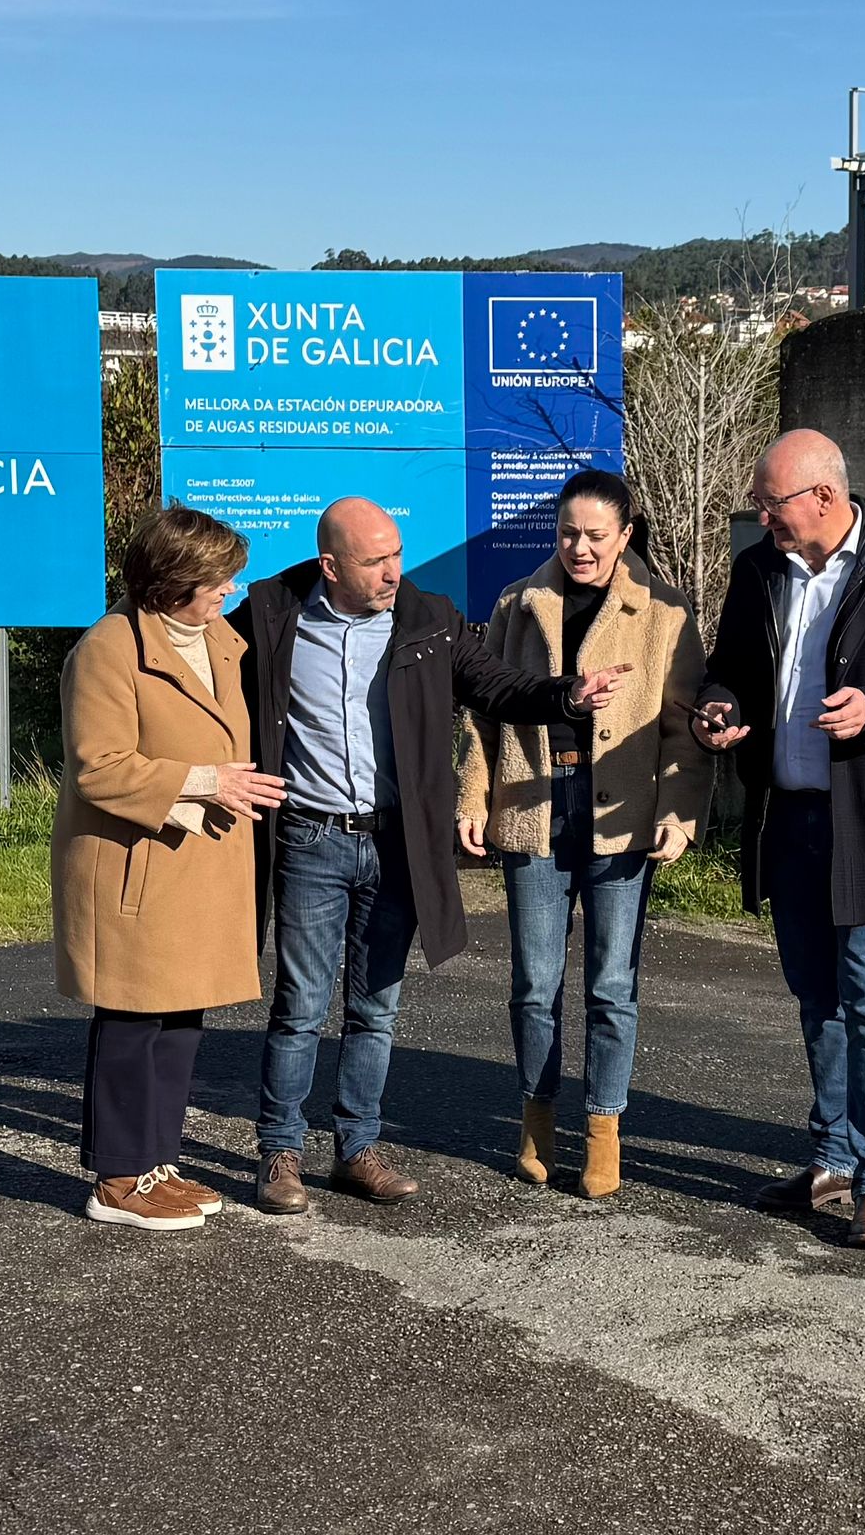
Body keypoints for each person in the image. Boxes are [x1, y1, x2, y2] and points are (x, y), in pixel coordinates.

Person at [233, 496, 633, 1214]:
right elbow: (203, 675)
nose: (394, 572)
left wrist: (568, 695)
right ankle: (280, 1153)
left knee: (375, 1009)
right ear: (330, 566)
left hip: (396, 843)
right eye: (375, 561)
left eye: (397, 553)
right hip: (310, 838)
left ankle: (357, 1149)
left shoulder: (428, 617)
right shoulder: (270, 612)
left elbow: (498, 686)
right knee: (300, 1007)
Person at [691, 429, 865, 1250]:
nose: (762, 517)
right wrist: (719, 708)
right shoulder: (758, 570)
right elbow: (730, 666)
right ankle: (833, 1158)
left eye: (770, 502)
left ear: (823, 496)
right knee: (817, 999)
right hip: (790, 818)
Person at [455, 470, 712, 1197]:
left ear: (625, 535)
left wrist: (678, 813)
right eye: (568, 532)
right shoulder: (517, 602)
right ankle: (536, 1119)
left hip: (621, 818)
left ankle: (603, 1129)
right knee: (534, 984)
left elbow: (684, 729)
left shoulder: (665, 610)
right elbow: (483, 712)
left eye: (597, 535)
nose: (580, 548)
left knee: (612, 985)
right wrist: (472, 794)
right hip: (534, 808)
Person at [52, 506, 286, 1230]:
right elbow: (98, 767)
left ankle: (155, 1163)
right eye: (217, 579)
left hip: (197, 866)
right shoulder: (107, 649)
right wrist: (208, 781)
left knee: (182, 1017)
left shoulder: (216, 637)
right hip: (136, 867)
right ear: (172, 582)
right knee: (132, 1020)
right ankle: (117, 1181)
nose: (230, 589)